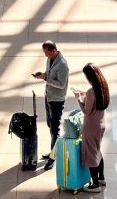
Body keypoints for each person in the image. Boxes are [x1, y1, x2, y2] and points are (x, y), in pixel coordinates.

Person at [35, 41, 68, 171]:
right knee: (50, 125)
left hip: (57, 100)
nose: (45, 56)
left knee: (55, 129)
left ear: (54, 50)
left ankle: (53, 157)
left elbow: (61, 84)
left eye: (47, 53)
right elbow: (49, 74)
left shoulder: (63, 65)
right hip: (49, 96)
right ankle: (53, 151)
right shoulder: (50, 59)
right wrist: (43, 75)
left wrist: (45, 79)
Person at [78, 63, 110, 193]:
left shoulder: (91, 92)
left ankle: (95, 185)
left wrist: (79, 99)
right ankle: (101, 178)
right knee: (97, 151)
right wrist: (86, 96)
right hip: (100, 124)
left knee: (91, 155)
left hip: (91, 127)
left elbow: (86, 111)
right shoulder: (103, 87)